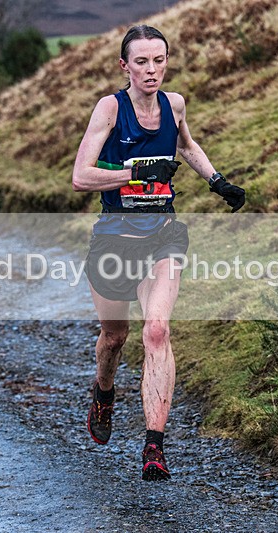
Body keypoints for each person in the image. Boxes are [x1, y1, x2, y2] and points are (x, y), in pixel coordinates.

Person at [72, 25, 246, 481]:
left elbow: (185, 145)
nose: (152, 70)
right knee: (115, 336)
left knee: (156, 330)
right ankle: (104, 392)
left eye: (159, 60)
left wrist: (217, 181)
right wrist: (135, 175)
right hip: (114, 239)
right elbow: (81, 176)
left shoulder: (175, 104)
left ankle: (154, 446)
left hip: (162, 236)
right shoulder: (110, 109)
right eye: (142, 62)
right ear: (124, 65)